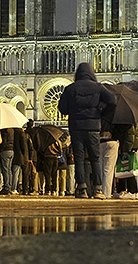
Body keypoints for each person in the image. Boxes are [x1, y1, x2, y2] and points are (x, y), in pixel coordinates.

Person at [58, 62, 116, 199]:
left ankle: (82, 189)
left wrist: (72, 110)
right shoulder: (98, 87)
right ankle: (97, 190)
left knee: (79, 159)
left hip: (76, 128)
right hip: (93, 128)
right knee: (95, 159)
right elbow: (113, 101)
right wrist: (101, 114)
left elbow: (62, 109)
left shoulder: (70, 89)